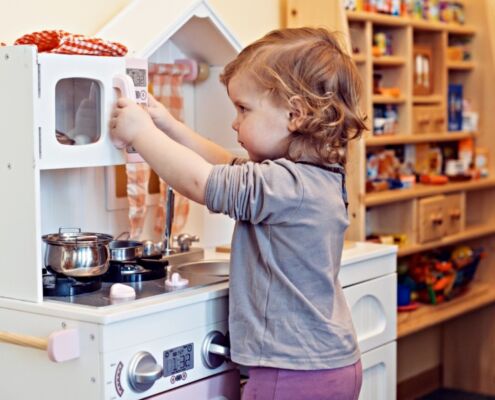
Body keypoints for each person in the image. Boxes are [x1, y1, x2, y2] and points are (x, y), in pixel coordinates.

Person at [111, 27, 367, 400]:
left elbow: (201, 182)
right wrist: (168, 125)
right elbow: (226, 166)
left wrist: (140, 133)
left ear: (294, 114)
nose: (234, 122)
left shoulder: (285, 186)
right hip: (330, 363)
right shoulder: (313, 179)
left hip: (292, 371)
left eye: (243, 109)